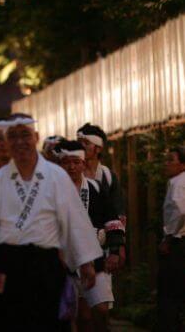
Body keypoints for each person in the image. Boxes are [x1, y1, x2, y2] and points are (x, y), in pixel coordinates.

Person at [0, 114, 102, 331]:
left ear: (36, 137)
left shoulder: (56, 176)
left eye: (25, 135)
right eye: (13, 137)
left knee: (48, 324)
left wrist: (85, 261)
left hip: (46, 262)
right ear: (6, 142)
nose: (20, 142)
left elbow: (73, 218)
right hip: (8, 262)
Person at [57, 140, 125, 332]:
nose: (71, 167)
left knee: (101, 310)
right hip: (63, 261)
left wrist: (114, 250)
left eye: (75, 162)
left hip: (95, 258)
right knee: (77, 316)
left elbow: (112, 220)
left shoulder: (95, 189)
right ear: (60, 165)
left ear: (83, 164)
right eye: (66, 162)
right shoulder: (52, 191)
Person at [158, 146, 185, 331]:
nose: (166, 164)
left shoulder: (177, 182)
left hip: (178, 242)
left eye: (171, 160)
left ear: (182, 164)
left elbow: (181, 210)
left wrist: (169, 237)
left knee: (170, 293)